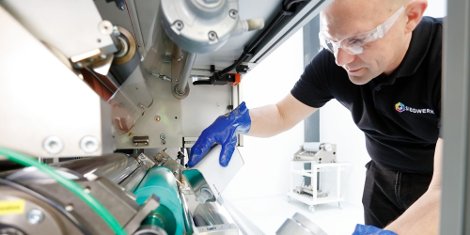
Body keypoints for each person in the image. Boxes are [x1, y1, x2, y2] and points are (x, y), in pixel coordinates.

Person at [189, 0, 442, 233]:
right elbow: (282, 113)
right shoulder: (335, 61)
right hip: (381, 180)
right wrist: (238, 122)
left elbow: (446, 190)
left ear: (411, 16)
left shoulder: (451, 59)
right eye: (332, 42)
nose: (343, 60)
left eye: (358, 41)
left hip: (437, 184)